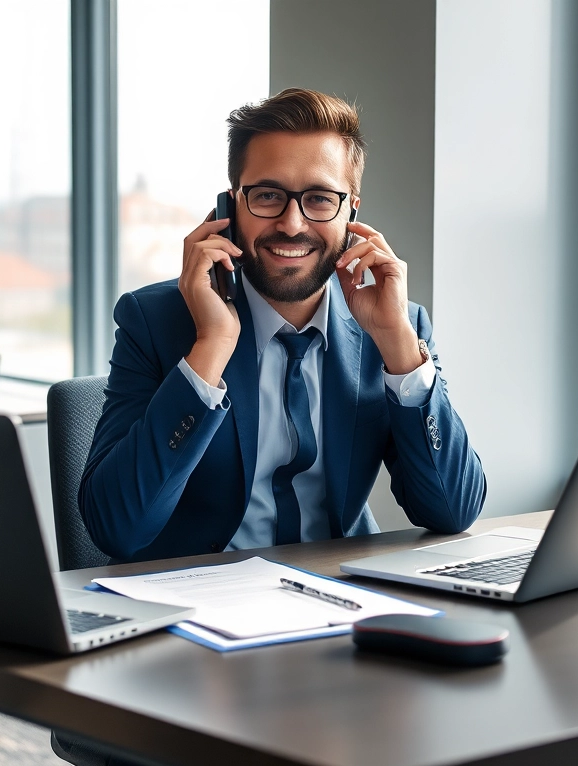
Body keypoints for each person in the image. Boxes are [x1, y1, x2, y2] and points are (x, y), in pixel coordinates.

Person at [80, 87, 486, 561]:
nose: (293, 224)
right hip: (202, 603)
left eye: (318, 198)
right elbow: (115, 528)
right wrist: (212, 345)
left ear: (351, 210)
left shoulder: (397, 326)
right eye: (268, 195)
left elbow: (453, 510)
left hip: (341, 599)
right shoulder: (154, 321)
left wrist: (397, 343)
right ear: (230, 208)